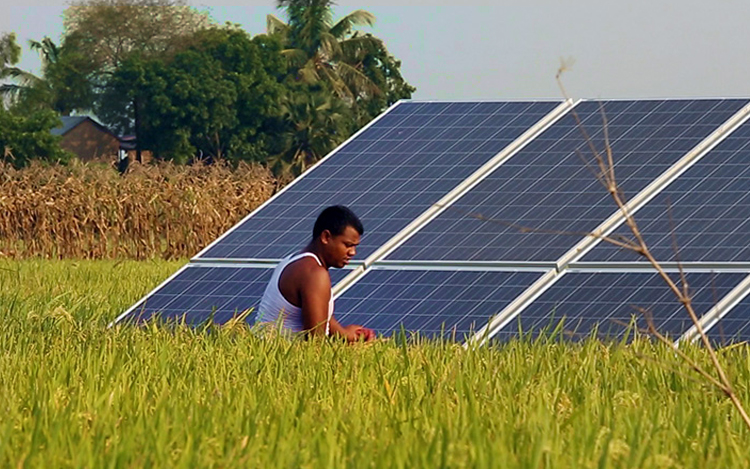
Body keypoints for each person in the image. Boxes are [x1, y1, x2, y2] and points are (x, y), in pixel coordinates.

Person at [255, 205, 376, 342]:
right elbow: (316, 344)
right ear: (325, 237)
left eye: (355, 246)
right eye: (347, 245)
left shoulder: (293, 260)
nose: (353, 252)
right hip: (280, 359)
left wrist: (346, 335)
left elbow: (318, 315)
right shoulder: (315, 274)